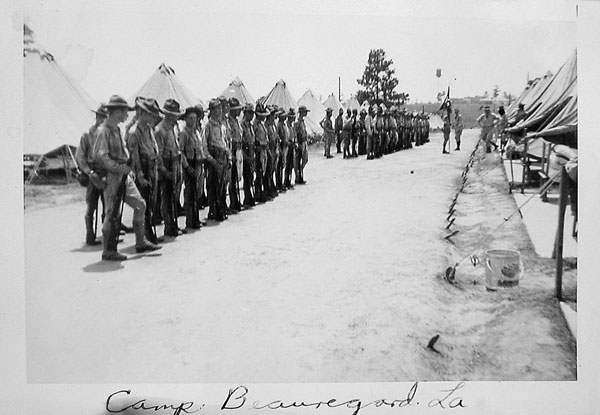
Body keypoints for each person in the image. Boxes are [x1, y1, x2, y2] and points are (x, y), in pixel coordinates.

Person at [92, 95, 161, 261]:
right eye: (124, 111)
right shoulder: (104, 131)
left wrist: (128, 168)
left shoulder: (117, 129)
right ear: (115, 112)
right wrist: (118, 168)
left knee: (140, 204)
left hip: (124, 175)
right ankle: (109, 250)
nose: (127, 115)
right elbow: (101, 156)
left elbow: (125, 152)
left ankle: (140, 242)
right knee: (112, 212)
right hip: (111, 176)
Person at [127, 97, 165, 244]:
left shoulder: (149, 129)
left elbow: (154, 150)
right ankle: (144, 237)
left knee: (152, 201)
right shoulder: (133, 132)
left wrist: (159, 165)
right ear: (142, 113)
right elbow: (134, 156)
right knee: (144, 204)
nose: (153, 117)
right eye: (150, 114)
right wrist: (140, 175)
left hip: (152, 167)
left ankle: (150, 235)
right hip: (143, 168)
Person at [75, 104, 107, 246]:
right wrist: (88, 172)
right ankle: (90, 234)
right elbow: (80, 156)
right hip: (93, 173)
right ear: (97, 117)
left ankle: (108, 234)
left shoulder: (107, 133)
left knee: (108, 205)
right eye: (102, 117)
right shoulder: (87, 135)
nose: (104, 120)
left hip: (106, 172)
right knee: (91, 205)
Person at [155, 99, 185, 236]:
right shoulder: (160, 130)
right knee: (166, 197)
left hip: (176, 162)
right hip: (167, 164)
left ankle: (174, 224)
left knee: (175, 196)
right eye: (172, 114)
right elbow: (158, 154)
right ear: (166, 114)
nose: (175, 116)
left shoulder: (174, 127)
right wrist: (164, 170)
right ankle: (169, 226)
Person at [204, 99, 232, 220]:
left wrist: (229, 157)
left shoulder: (222, 126)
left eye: (220, 109)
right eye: (217, 109)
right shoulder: (208, 126)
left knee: (223, 185)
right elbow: (204, 146)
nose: (220, 111)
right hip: (214, 157)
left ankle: (222, 209)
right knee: (213, 186)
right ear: (212, 111)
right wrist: (211, 160)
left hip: (223, 156)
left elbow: (226, 143)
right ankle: (213, 211)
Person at [178, 105, 204, 230]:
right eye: (190, 119)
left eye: (195, 119)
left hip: (198, 162)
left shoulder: (197, 132)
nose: (193, 121)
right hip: (189, 163)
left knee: (197, 192)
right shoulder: (184, 133)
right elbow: (180, 152)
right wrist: (187, 167)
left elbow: (200, 147)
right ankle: (190, 220)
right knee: (189, 192)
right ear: (186, 119)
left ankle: (196, 218)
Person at [226, 98, 244, 212]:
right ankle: (233, 202)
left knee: (237, 176)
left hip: (238, 150)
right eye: (237, 109)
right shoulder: (229, 122)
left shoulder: (236, 121)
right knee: (232, 178)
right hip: (233, 150)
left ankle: (236, 201)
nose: (239, 111)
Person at [253, 103, 270, 202]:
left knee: (262, 171)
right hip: (259, 151)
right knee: (259, 173)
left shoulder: (261, 125)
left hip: (264, 150)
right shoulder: (255, 124)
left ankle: (261, 192)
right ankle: (258, 193)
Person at [241, 103, 256, 206]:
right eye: (250, 113)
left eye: (252, 113)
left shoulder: (250, 126)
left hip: (251, 152)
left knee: (250, 176)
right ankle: (247, 197)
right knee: (246, 176)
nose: (252, 115)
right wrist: (246, 157)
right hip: (245, 152)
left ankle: (249, 197)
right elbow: (241, 143)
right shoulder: (242, 125)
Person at [295, 105, 310, 184]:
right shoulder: (297, 123)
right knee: (298, 161)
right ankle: (298, 177)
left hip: (304, 142)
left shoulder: (303, 122)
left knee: (304, 160)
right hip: (300, 142)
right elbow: (296, 134)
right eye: (305, 112)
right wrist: (298, 144)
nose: (306, 113)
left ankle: (300, 176)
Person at [276, 108, 289, 189]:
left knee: (283, 165)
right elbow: (279, 137)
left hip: (285, 146)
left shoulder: (284, 125)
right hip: (281, 146)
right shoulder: (279, 125)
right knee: (279, 166)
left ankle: (281, 183)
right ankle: (279, 183)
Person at [284, 108, 296, 189]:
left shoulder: (291, 126)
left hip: (292, 146)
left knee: (291, 164)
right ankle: (286, 181)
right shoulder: (286, 126)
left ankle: (289, 180)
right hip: (287, 146)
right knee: (287, 164)